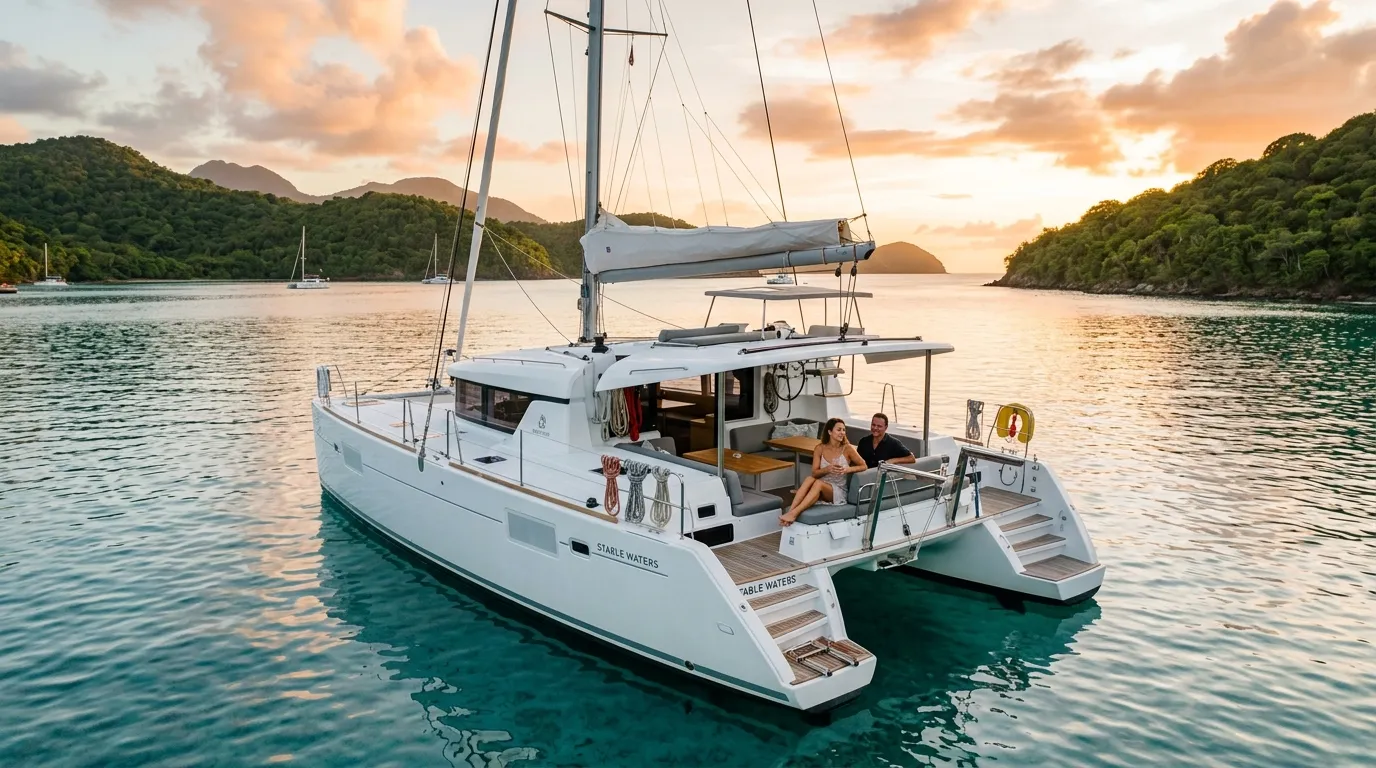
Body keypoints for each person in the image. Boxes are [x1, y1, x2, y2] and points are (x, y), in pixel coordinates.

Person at [780, 418, 866, 526]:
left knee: (818, 483)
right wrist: (827, 469)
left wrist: (848, 469)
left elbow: (863, 465)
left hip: (838, 490)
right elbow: (815, 473)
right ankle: (791, 512)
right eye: (839, 430)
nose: (842, 433)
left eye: (844, 430)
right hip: (820, 487)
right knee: (809, 479)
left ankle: (794, 513)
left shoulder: (847, 448)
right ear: (830, 432)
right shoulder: (820, 448)